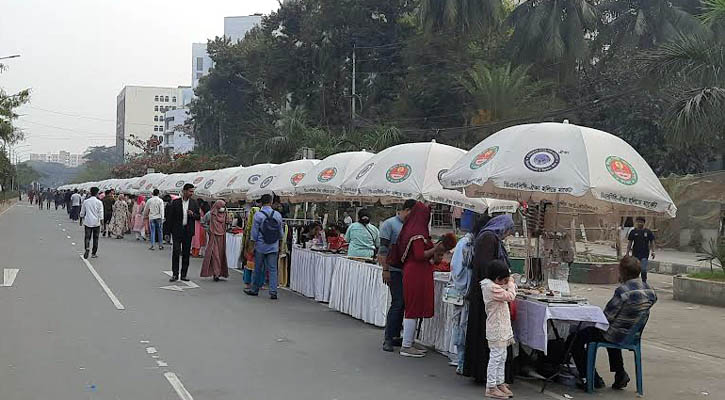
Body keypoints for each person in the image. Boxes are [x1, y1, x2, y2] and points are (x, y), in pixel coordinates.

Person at [570, 256, 657, 391]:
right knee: (613, 330)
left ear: (622, 272)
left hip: (616, 334)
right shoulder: (650, 291)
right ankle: (620, 373)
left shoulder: (623, 291)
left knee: (575, 338)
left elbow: (606, 317)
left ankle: (590, 378)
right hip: (632, 333)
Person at [464, 214, 515, 384]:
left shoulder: (489, 237)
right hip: (487, 295)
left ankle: (491, 376)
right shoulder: (488, 238)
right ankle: (489, 377)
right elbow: (488, 268)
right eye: (509, 230)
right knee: (489, 338)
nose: (508, 234)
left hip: (487, 292)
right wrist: (502, 281)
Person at [395, 202, 447, 358]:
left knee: (415, 307)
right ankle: (406, 345)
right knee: (412, 308)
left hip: (419, 271)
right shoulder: (417, 232)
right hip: (416, 272)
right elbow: (419, 255)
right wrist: (436, 248)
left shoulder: (415, 230)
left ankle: (410, 341)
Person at [448, 215, 490, 373]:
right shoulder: (466, 244)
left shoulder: (473, 243)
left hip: (466, 291)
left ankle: (462, 359)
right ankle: (460, 359)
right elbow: (458, 269)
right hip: (463, 292)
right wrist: (466, 287)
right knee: (461, 325)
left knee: (462, 325)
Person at [380, 199, 416, 352]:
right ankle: (388, 337)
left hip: (407, 271)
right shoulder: (389, 224)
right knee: (397, 302)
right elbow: (382, 249)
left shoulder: (412, 226)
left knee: (404, 303)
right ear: (406, 210)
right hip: (394, 270)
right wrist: (385, 269)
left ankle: (396, 335)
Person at [481, 260, 516, 399]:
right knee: (496, 357)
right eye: (503, 280)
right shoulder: (491, 288)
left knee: (502, 356)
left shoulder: (493, 285)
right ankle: (491, 386)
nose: (505, 283)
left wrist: (508, 282)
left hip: (502, 326)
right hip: (496, 327)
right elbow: (510, 296)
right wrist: (512, 284)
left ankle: (499, 382)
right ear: (497, 279)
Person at [244, 194, 284, 300]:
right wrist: (280, 245)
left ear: (261, 202)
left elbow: (254, 233)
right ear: (271, 202)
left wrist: (251, 246)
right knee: (272, 269)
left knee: (258, 268)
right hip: (273, 246)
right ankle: (273, 291)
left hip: (261, 246)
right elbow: (280, 233)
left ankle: (254, 289)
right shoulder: (277, 215)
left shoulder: (258, 215)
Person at [167, 184, 200, 282]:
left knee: (186, 253)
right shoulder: (175, 202)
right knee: (176, 252)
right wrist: (168, 232)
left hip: (188, 231)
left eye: (192, 191)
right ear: (184, 191)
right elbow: (170, 218)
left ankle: (184, 274)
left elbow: (198, 217)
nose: (191, 193)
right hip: (177, 231)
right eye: (190, 191)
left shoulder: (194, 203)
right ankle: (175, 274)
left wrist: (192, 214)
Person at [200, 200, 229, 281]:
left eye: (224, 206)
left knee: (221, 255)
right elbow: (202, 222)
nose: (223, 208)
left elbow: (227, 223)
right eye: (221, 206)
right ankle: (216, 273)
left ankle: (220, 273)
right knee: (215, 255)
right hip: (213, 238)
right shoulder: (210, 214)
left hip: (222, 238)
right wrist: (208, 229)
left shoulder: (225, 214)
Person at [627, 217, 655, 283]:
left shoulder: (648, 232)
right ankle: (634, 282)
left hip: (644, 254)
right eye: (638, 222)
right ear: (636, 222)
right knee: (635, 269)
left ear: (644, 223)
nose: (640, 223)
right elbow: (630, 242)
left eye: (641, 222)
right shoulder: (633, 232)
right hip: (635, 254)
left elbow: (652, 241)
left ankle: (644, 282)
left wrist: (653, 251)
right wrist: (627, 252)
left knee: (643, 270)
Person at [79, 187, 104, 259]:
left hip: (88, 222)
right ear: (97, 193)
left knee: (87, 237)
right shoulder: (99, 202)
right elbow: (101, 214)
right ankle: (93, 253)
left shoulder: (86, 201)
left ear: (90, 192)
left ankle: (87, 247)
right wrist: (103, 225)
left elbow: (82, 212)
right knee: (95, 238)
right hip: (96, 223)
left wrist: (81, 220)